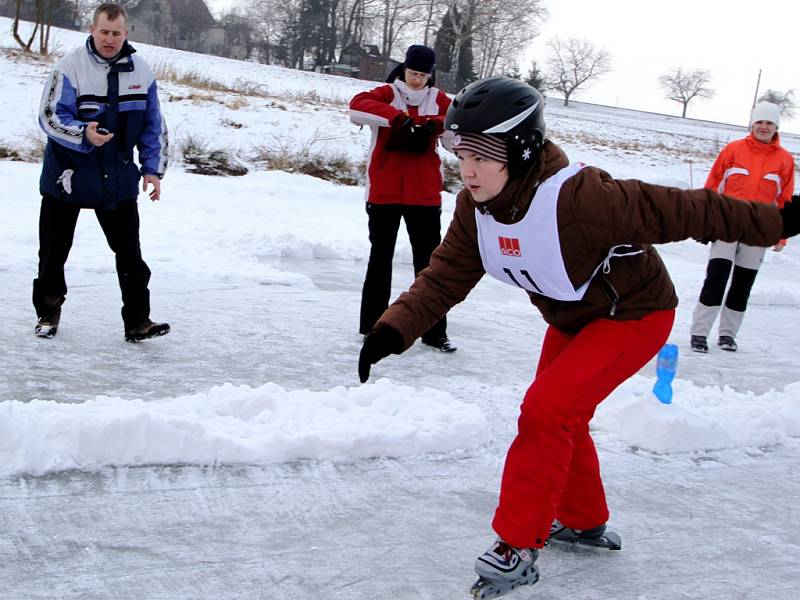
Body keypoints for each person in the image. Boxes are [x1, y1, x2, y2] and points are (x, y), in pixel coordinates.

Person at [356, 78, 800, 598]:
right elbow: (447, 273)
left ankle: (517, 545)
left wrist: (776, 220)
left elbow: (685, 208)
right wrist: (394, 327)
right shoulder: (475, 209)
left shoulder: (581, 198)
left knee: (547, 408)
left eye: (483, 154)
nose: (468, 169)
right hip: (574, 318)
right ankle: (584, 521)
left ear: (519, 150)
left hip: (634, 314)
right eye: (460, 151)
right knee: (562, 414)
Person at [35, 2, 170, 342]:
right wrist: (84, 134)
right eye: (104, 32)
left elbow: (154, 126)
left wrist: (152, 170)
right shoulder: (69, 68)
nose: (109, 39)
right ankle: (47, 313)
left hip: (119, 178)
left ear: (126, 34)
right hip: (68, 176)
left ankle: (138, 322)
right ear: (92, 30)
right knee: (53, 254)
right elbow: (50, 117)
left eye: (116, 33)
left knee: (131, 257)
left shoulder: (141, 71)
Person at [349, 44, 456, 352]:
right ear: (403, 69)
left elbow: (455, 132)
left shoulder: (439, 100)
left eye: (423, 75)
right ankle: (372, 326)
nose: (417, 80)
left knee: (429, 266)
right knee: (380, 259)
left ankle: (435, 332)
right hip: (384, 192)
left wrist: (436, 124)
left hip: (423, 196)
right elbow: (357, 107)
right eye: (413, 73)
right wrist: (398, 119)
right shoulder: (385, 93)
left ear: (430, 74)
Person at [689, 101, 795, 353]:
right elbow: (712, 185)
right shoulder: (733, 150)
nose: (763, 127)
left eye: (769, 123)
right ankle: (699, 333)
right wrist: (703, 219)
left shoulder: (785, 160)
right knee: (716, 278)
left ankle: (727, 335)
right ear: (752, 124)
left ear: (776, 127)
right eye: (759, 122)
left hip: (758, 231)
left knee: (742, 285)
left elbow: (785, 200)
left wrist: (782, 235)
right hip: (726, 225)